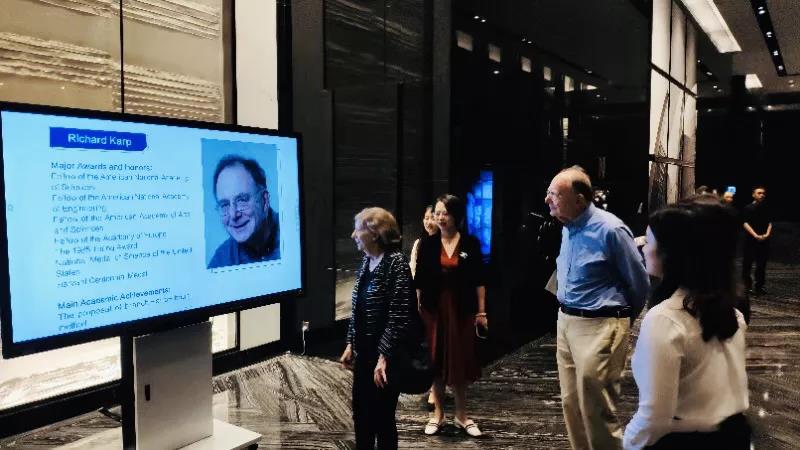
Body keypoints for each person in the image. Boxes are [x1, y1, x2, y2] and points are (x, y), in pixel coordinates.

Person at [624, 201, 750, 449]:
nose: (643, 247)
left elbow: (655, 417)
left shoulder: (665, 320)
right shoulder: (732, 312)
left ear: (672, 253)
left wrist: (628, 441)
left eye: (649, 240)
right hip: (734, 436)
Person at [545, 166, 649, 450]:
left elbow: (639, 283)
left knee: (597, 409)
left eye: (554, 194)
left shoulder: (610, 230)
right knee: (571, 403)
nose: (547, 199)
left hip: (601, 324)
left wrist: (620, 323)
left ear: (579, 200)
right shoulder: (567, 228)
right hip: (566, 321)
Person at [339, 207, 415, 450]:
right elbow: (358, 307)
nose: (353, 235)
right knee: (361, 416)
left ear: (375, 233)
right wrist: (351, 343)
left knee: (382, 419)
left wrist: (383, 358)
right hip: (364, 355)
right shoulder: (367, 261)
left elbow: (399, 315)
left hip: (387, 358)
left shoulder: (396, 263)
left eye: (358, 229)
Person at [414, 194, 487, 437]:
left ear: (456, 215)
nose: (440, 217)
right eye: (437, 213)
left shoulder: (471, 243)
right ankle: (438, 414)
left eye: (445, 213)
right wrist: (417, 309)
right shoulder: (427, 244)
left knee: (460, 359)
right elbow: (419, 282)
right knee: (435, 360)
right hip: (433, 311)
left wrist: (482, 311)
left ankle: (462, 415)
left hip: (461, 310)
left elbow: (479, 280)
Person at [208, 155, 279, 269]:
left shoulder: (292, 235)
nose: (233, 214)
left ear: (264, 201)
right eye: (225, 205)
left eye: (242, 200)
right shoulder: (222, 259)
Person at [742, 186, 771, 295]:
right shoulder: (748, 208)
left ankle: (759, 286)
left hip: (764, 240)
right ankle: (746, 287)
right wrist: (755, 235)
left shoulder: (766, 208)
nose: (762, 195)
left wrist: (767, 234)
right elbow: (745, 223)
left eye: (763, 193)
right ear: (753, 195)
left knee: (761, 265)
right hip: (750, 240)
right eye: (759, 193)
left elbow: (769, 222)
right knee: (747, 264)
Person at [409, 204, 437, 278]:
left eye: (433, 218)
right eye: (426, 218)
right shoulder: (418, 243)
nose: (429, 222)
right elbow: (413, 268)